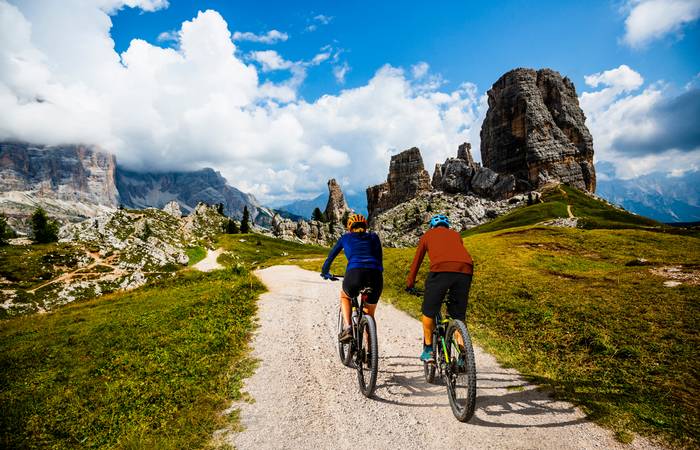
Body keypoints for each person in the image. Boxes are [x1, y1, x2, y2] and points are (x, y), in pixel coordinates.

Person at [406, 214, 473, 362]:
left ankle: (429, 349)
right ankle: (463, 357)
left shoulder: (427, 235)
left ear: (432, 226)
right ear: (446, 226)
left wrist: (410, 283)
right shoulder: (456, 235)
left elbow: (417, 261)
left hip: (440, 270)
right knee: (458, 315)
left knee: (428, 311)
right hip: (466, 270)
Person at [321, 214, 383, 343]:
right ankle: (370, 352)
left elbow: (330, 257)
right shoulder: (374, 237)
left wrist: (325, 272)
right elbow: (379, 259)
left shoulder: (345, 238)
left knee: (345, 296)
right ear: (365, 227)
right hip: (375, 275)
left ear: (350, 228)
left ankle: (348, 328)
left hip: (354, 273)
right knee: (369, 313)